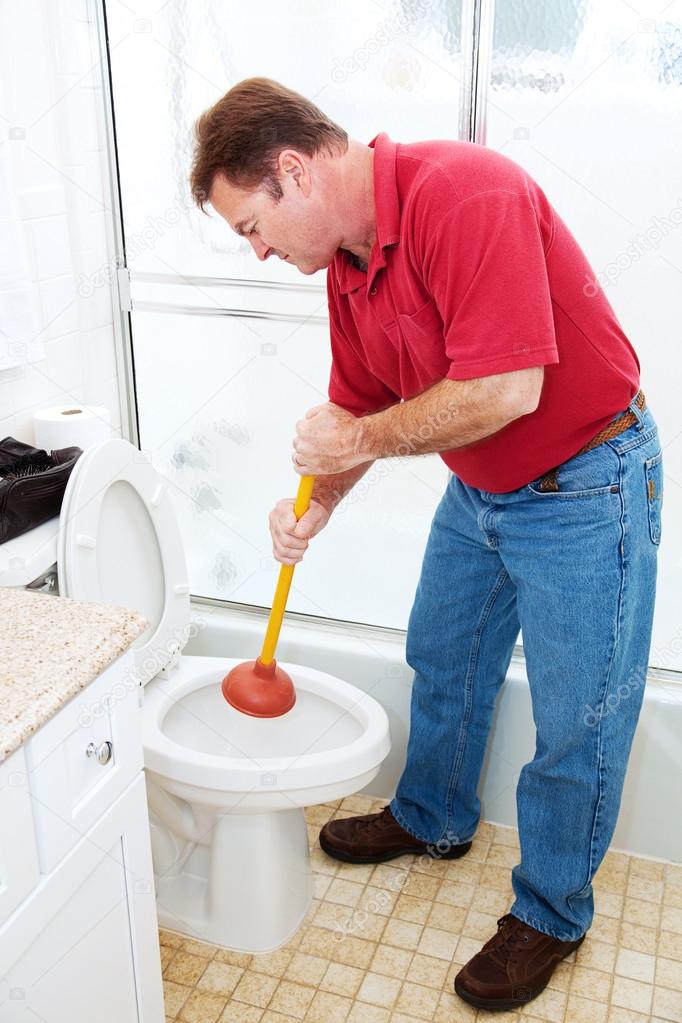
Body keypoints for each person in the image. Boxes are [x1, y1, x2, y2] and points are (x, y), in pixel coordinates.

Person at [190, 77, 663, 1012]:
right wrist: (316, 506)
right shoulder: (348, 265)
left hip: (585, 484)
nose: (257, 251)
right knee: (443, 654)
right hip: (481, 487)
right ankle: (435, 815)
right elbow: (359, 409)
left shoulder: (465, 193)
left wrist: (356, 440)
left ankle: (553, 910)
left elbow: (508, 389)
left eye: (252, 226)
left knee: (579, 719)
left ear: (294, 172)